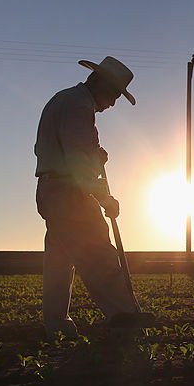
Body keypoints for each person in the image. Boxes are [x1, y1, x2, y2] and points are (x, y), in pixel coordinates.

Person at [34, 56, 154, 338]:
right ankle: (123, 314)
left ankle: (56, 324)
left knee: (60, 259)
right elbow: (76, 162)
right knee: (98, 249)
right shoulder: (78, 107)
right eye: (113, 95)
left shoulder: (66, 100)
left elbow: (70, 149)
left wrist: (94, 156)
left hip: (52, 190)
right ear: (99, 82)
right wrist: (104, 197)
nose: (112, 103)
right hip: (68, 192)